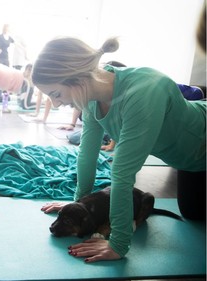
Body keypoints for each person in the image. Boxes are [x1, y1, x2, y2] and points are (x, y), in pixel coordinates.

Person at [32, 37, 206, 263]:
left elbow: (122, 175)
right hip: (189, 160)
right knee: (193, 214)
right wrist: (79, 205)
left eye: (55, 94)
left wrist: (118, 244)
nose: (55, 104)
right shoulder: (93, 99)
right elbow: (87, 155)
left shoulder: (144, 90)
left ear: (78, 78)